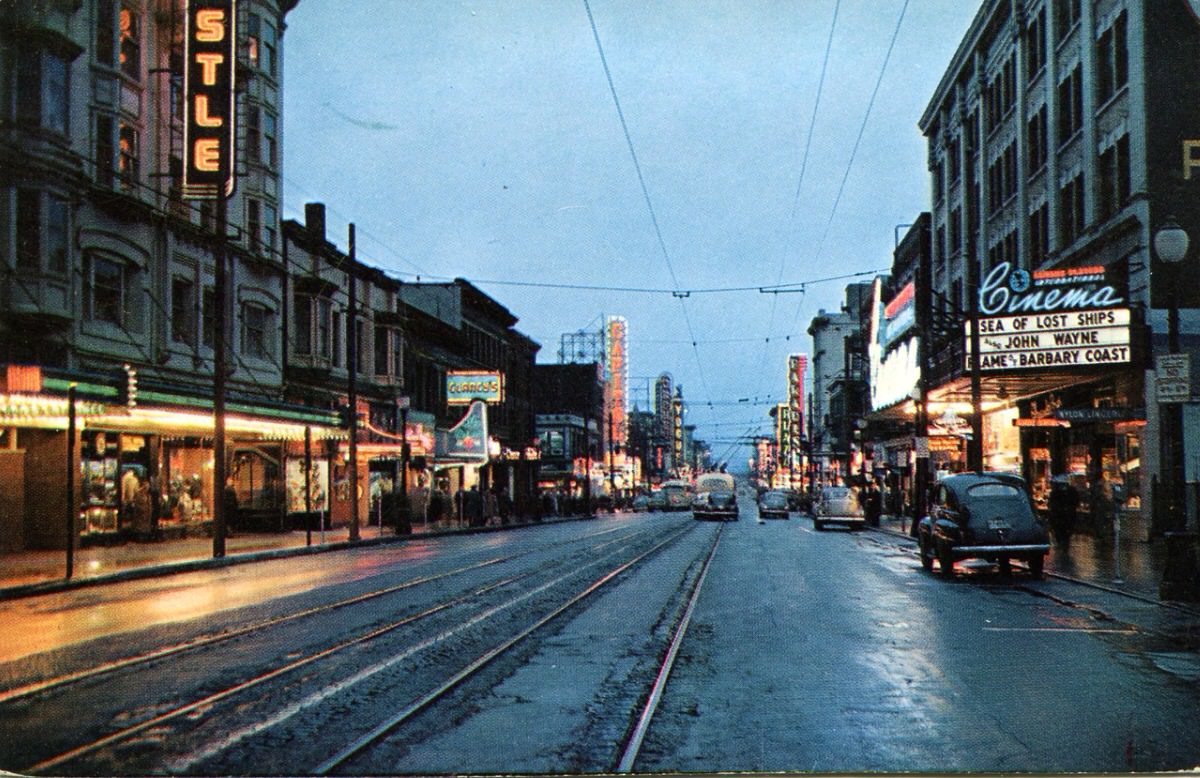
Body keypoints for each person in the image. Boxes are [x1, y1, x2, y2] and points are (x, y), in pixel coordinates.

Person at [1047, 475, 1078, 552]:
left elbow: (1051, 503)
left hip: (1060, 516)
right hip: (1067, 516)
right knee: (1065, 532)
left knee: (1060, 531)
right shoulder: (1072, 491)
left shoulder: (1055, 492)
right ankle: (1064, 545)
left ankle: (1062, 545)